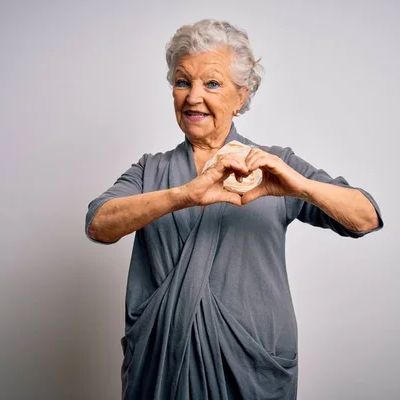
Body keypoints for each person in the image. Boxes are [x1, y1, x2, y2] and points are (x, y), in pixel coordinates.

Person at [85, 19, 383, 400]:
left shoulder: (273, 164)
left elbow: (365, 218)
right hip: (160, 363)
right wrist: (185, 195)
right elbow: (99, 224)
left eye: (211, 83)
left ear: (241, 96)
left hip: (251, 365)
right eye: (182, 82)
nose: (193, 97)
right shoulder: (150, 170)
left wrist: (299, 185)